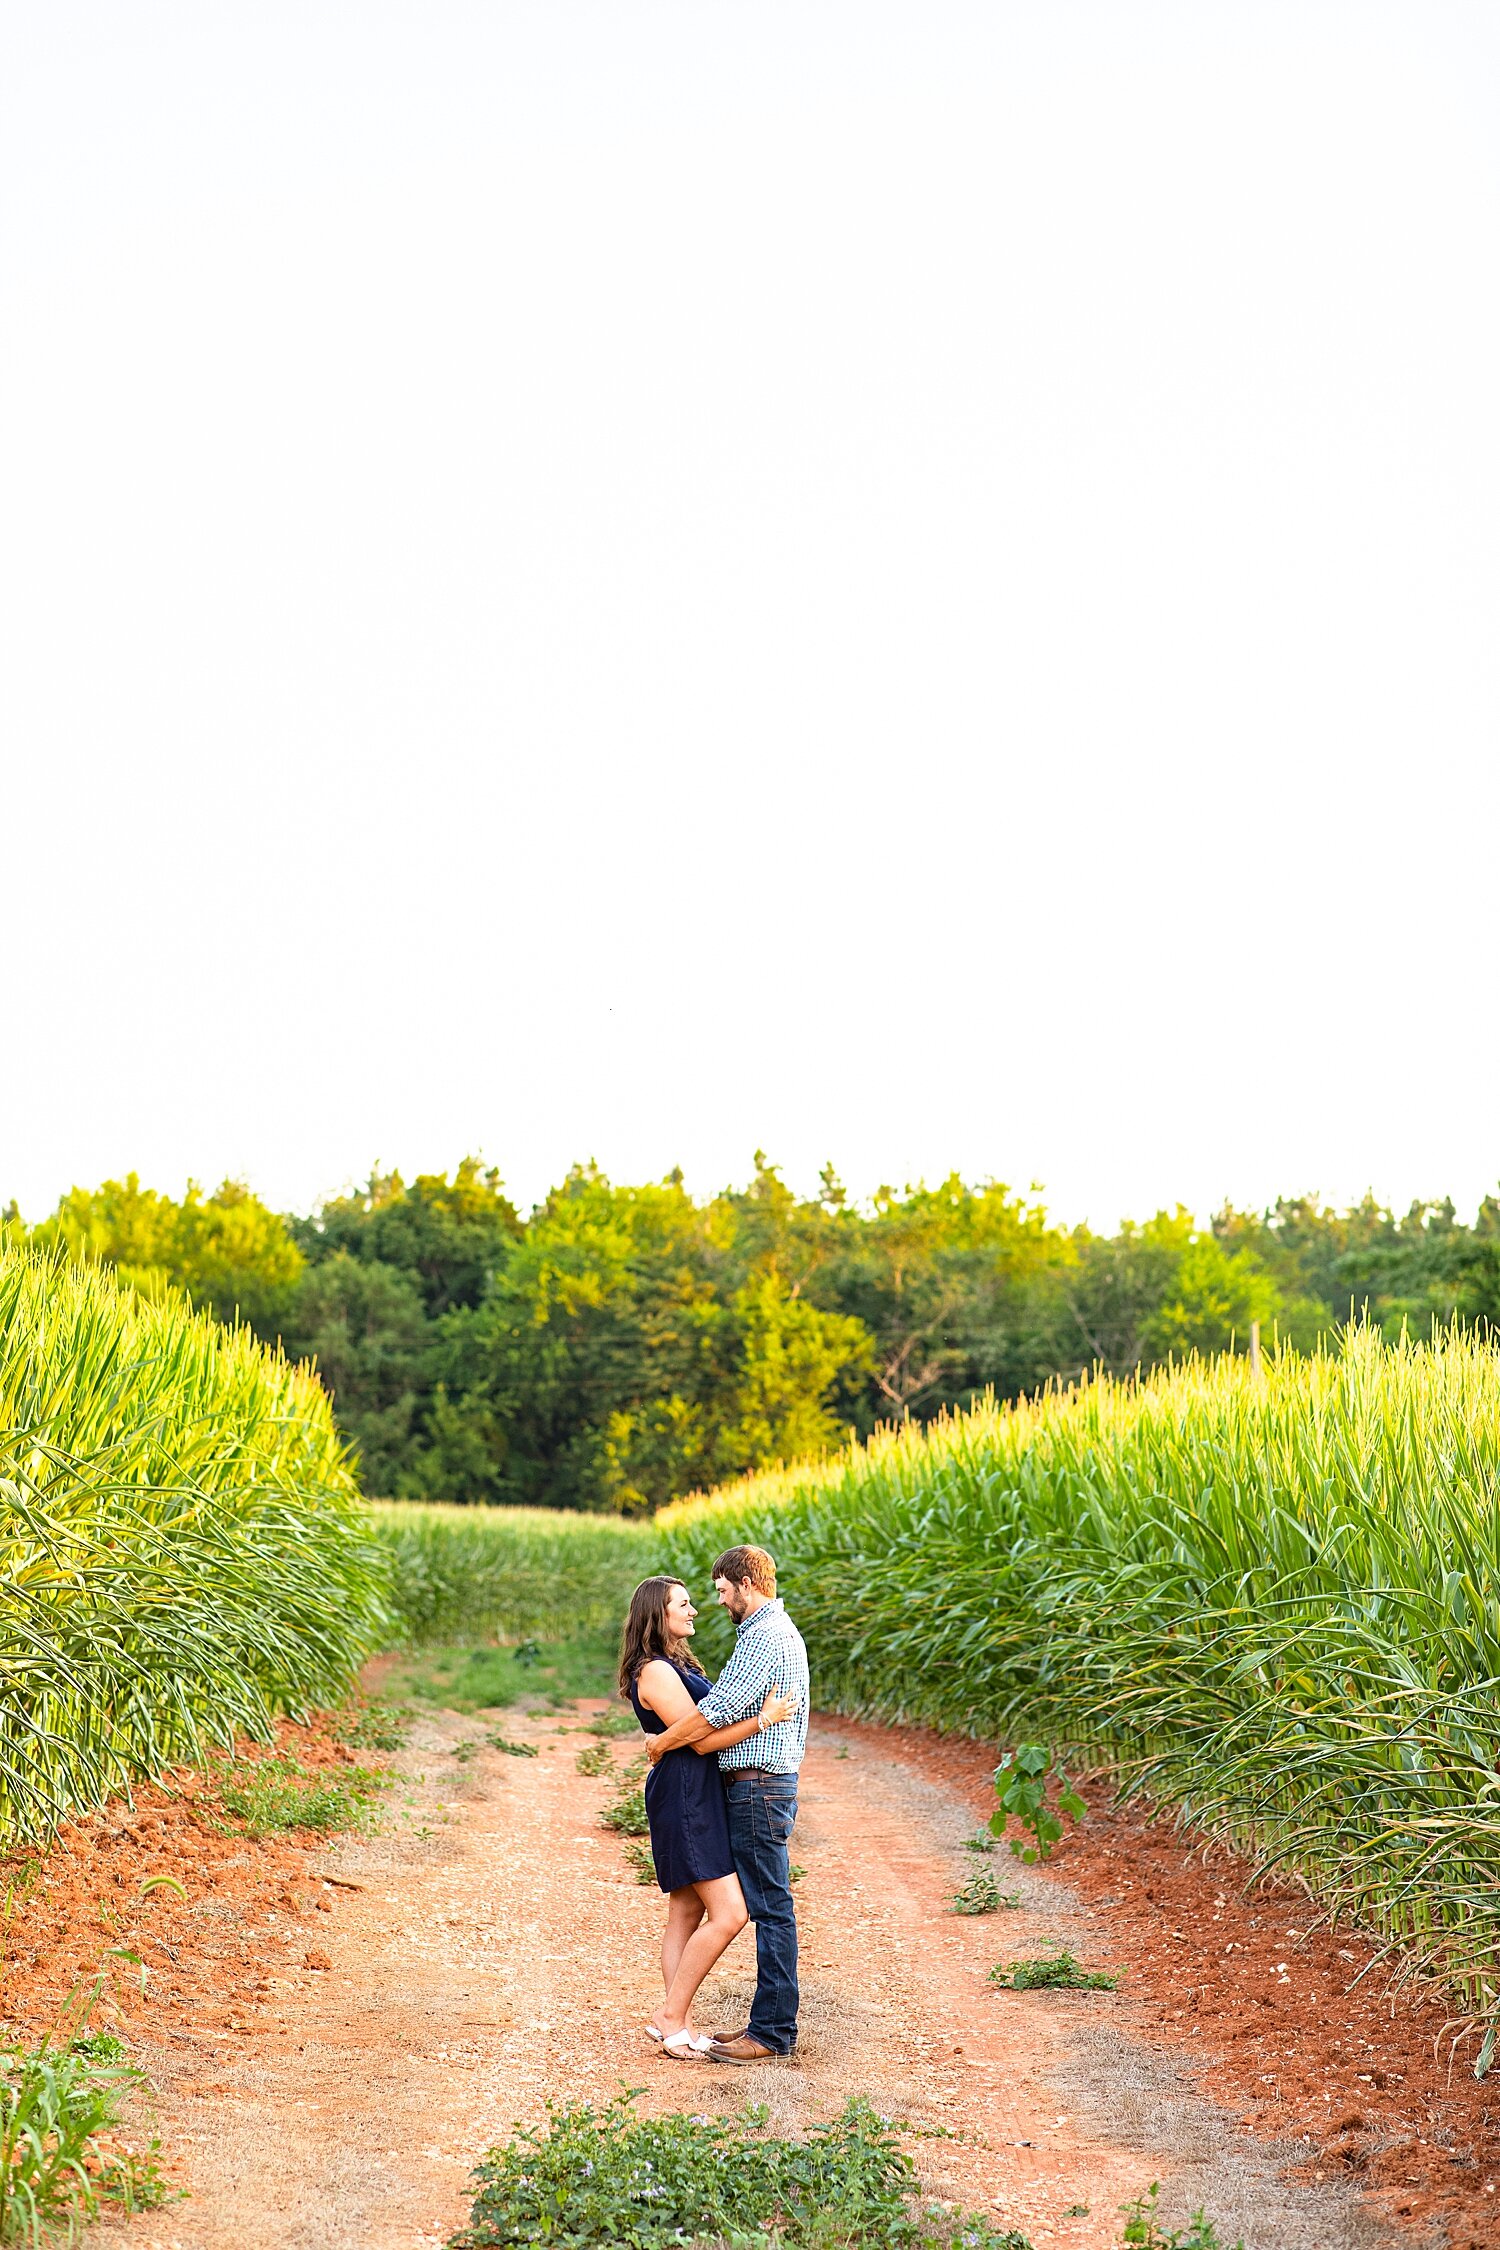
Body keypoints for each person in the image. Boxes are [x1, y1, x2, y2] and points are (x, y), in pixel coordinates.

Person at [621, 1575, 799, 2063]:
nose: (695, 1609)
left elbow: (698, 1727)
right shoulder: (655, 1671)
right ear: (658, 1613)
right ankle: (671, 2018)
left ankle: (677, 2024)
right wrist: (764, 1719)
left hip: (695, 1789)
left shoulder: (675, 1662)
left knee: (685, 1912)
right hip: (685, 1794)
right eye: (684, 1603)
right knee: (731, 1913)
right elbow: (699, 1739)